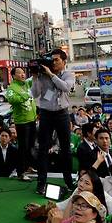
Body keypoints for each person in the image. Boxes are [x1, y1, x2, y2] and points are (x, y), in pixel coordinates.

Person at [31, 49, 76, 195]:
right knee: (43, 149)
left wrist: (51, 75)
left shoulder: (68, 74)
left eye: (57, 60)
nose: (53, 62)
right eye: (52, 59)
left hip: (62, 114)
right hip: (45, 114)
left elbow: (66, 87)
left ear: (64, 62)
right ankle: (41, 182)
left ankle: (68, 180)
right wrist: (36, 77)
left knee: (65, 149)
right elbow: (35, 93)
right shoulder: (42, 75)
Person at [5, 66, 36, 181]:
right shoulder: (12, 88)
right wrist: (26, 96)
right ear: (13, 76)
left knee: (30, 146)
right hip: (22, 122)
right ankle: (20, 172)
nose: (23, 74)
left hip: (32, 119)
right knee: (23, 147)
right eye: (19, 73)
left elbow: (35, 78)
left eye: (23, 72)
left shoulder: (26, 84)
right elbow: (13, 100)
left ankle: (28, 167)